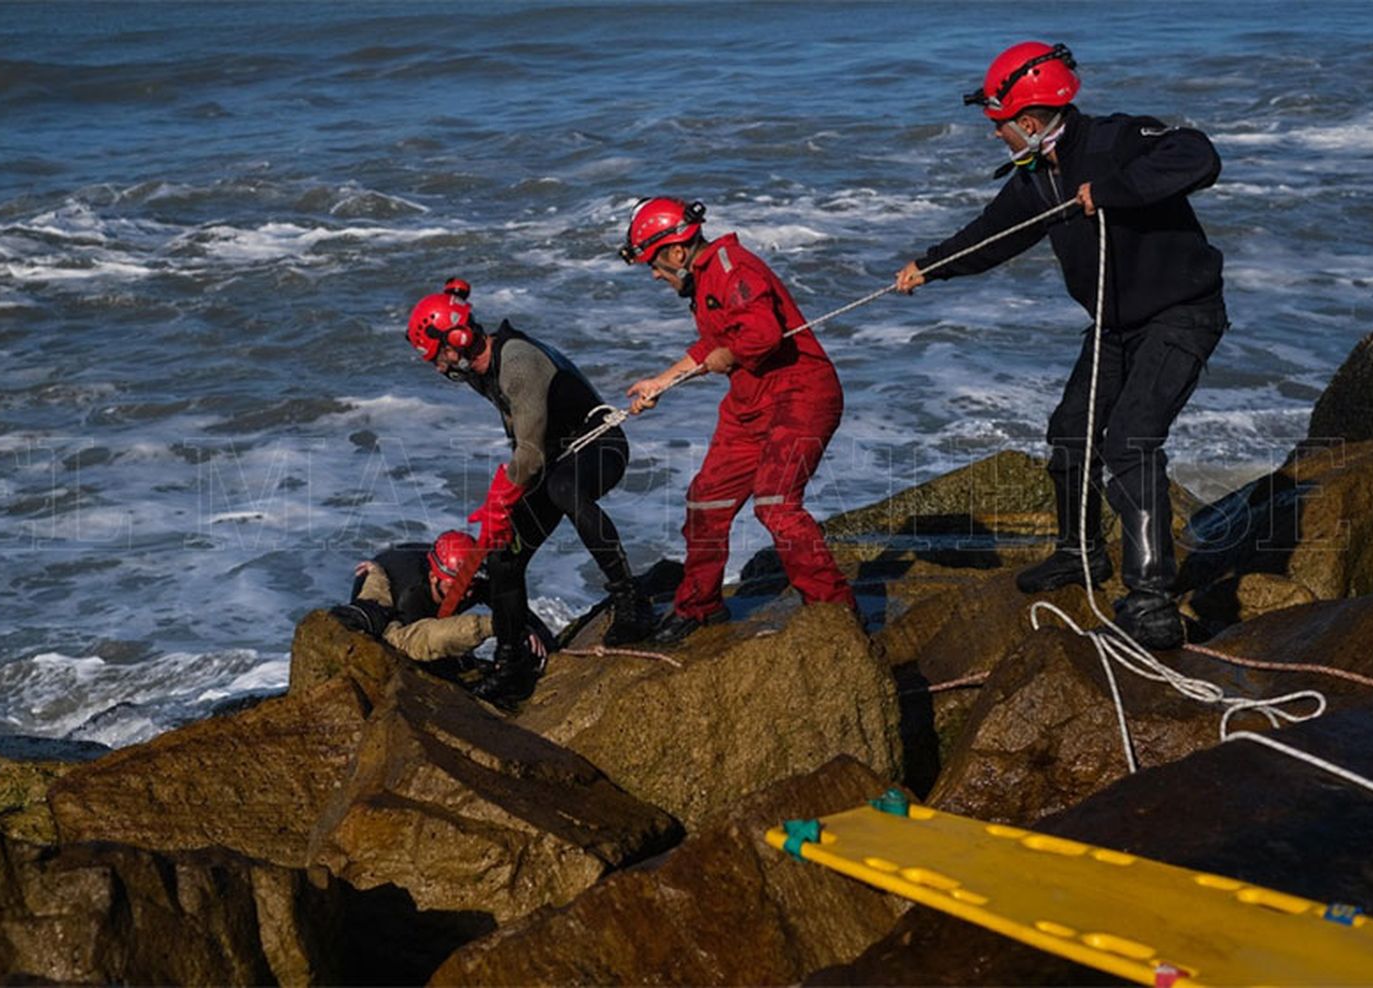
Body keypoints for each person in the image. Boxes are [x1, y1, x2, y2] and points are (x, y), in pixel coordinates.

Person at [893, 41, 1228, 650]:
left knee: (1130, 441)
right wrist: (928, 266)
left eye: (998, 127)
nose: (996, 137)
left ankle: (1152, 602)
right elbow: (991, 237)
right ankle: (1079, 554)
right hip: (1114, 326)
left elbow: (1199, 155)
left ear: (1026, 121)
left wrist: (1116, 189)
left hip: (1183, 315)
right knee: (1070, 431)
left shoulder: (1117, 139)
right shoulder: (1034, 181)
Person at [405, 279, 654, 708]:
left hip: (597, 444)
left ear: (459, 339)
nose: (440, 369)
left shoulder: (517, 361)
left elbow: (532, 452)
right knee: (504, 556)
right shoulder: (477, 371)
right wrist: (505, 500)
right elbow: (527, 445)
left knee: (563, 489)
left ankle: (630, 598)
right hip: (551, 461)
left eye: (439, 357)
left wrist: (504, 493)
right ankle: (512, 662)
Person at [620, 197, 857, 644]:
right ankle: (701, 606)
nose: (654, 274)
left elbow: (761, 334)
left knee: (775, 503)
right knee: (705, 502)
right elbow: (711, 345)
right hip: (750, 403)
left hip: (801, 394)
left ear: (676, 252)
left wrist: (727, 355)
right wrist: (660, 382)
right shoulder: (706, 279)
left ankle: (835, 614)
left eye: (654, 263)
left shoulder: (732, 268)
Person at [330, 530, 552, 681]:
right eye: (457, 586)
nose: (466, 592)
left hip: (423, 562)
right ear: (434, 578)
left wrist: (531, 632)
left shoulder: (472, 582)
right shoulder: (411, 598)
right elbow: (421, 643)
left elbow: (513, 608)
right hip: (386, 589)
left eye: (470, 585)